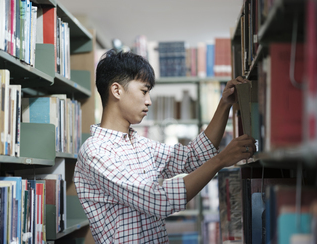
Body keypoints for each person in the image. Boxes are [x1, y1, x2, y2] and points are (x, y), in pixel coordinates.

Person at [74, 49, 256, 243]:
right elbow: (159, 200)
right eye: (144, 91)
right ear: (117, 90)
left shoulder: (141, 144)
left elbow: (192, 157)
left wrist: (224, 104)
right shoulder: (96, 152)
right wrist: (220, 160)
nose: (149, 101)